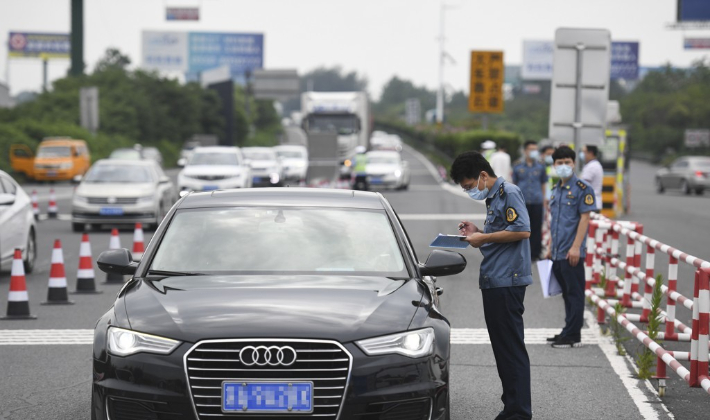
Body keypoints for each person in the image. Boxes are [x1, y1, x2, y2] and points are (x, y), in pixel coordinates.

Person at [450, 151, 532, 420]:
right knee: (502, 348)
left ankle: (518, 411)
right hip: (495, 279)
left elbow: (522, 230)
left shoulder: (509, 192)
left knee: (510, 347)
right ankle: (512, 406)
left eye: (470, 186)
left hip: (507, 280)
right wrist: (477, 232)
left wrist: (483, 238)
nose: (470, 191)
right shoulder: (494, 197)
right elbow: (502, 234)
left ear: (483, 175)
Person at [546, 146, 597, 348]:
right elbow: (554, 222)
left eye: (568, 162)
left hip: (572, 251)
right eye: (560, 163)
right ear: (554, 165)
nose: (564, 166)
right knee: (566, 293)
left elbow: (585, 219)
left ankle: (573, 335)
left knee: (575, 293)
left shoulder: (583, 189)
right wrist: (550, 246)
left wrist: (576, 248)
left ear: (574, 163)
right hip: (557, 251)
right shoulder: (556, 189)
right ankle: (567, 330)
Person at [512, 141, 548, 260]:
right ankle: (521, 253)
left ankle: (535, 253)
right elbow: (514, 184)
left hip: (537, 201)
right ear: (525, 151)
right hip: (522, 202)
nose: (534, 152)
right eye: (531, 149)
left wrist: (544, 199)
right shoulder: (518, 166)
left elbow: (543, 183)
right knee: (521, 228)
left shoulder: (541, 166)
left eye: (535, 149)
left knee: (536, 228)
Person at [580, 145, 603, 210]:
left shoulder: (591, 167)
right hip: (594, 203)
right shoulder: (595, 165)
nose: (583, 155)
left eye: (584, 152)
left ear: (591, 153)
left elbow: (583, 185)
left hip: (590, 204)